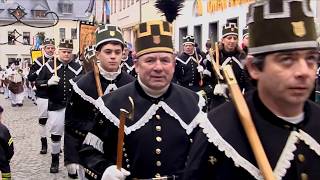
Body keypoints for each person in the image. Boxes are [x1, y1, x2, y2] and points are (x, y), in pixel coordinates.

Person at [183, 0, 320, 179]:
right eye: (286, 60)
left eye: (310, 59)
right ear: (254, 68)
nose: (303, 71)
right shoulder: (218, 134)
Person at [79, 20, 206, 180]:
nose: (158, 67)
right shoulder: (111, 103)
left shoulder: (194, 103)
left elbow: (207, 157)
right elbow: (89, 151)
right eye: (150, 60)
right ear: (137, 65)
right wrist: (105, 170)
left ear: (173, 64)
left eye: (165, 60)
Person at [64, 24, 134, 179]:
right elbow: (71, 124)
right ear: (97, 54)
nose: (113, 56)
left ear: (123, 54)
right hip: (90, 154)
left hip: (124, 154)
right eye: (108, 52)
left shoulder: (132, 84)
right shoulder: (81, 86)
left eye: (118, 52)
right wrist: (72, 156)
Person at [36, 39, 83, 173]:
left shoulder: (78, 68)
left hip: (74, 108)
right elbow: (38, 83)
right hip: (56, 106)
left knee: (73, 137)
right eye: (64, 52)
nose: (66, 54)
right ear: (58, 51)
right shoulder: (49, 66)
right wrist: (48, 83)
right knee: (56, 135)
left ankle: (71, 166)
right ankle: (55, 160)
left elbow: (85, 85)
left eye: (69, 52)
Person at [203, 22, 250, 109]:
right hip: (218, 102)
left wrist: (247, 95)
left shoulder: (242, 57)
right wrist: (214, 89)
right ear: (223, 40)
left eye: (235, 38)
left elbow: (248, 82)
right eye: (229, 38)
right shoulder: (213, 57)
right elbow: (206, 81)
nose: (232, 41)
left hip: (239, 101)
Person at [28, 38, 56, 154]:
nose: (50, 50)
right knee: (43, 120)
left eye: (52, 48)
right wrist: (39, 71)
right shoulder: (39, 61)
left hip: (56, 95)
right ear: (44, 48)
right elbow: (30, 77)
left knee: (56, 121)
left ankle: (56, 143)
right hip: (43, 94)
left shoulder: (57, 60)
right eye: (48, 48)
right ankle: (44, 144)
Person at [0, 106, 14, 180]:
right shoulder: (3, 129)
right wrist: (7, 159)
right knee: (6, 176)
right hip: (2, 161)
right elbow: (10, 147)